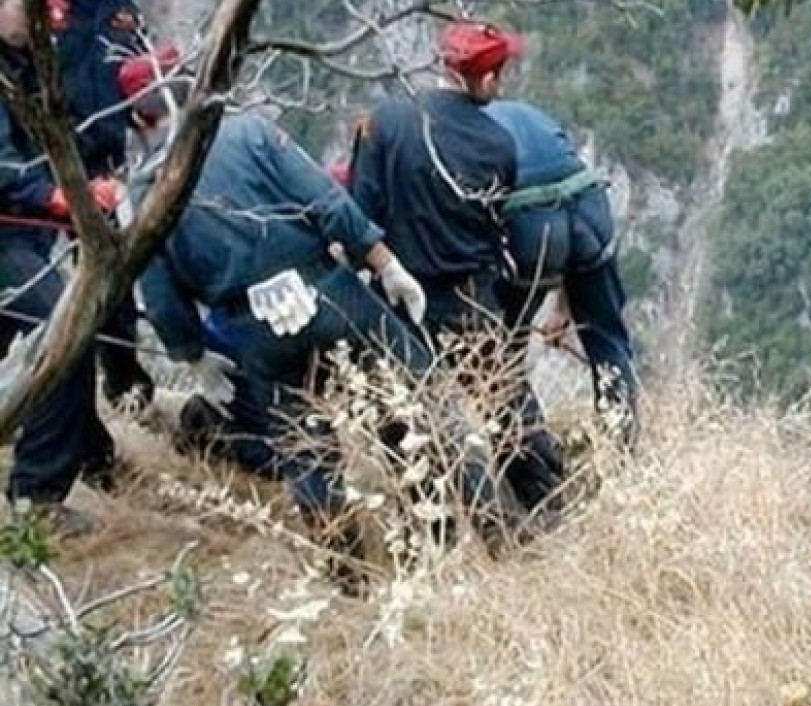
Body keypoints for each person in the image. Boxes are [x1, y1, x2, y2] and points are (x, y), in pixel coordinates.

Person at [116, 45, 507, 581]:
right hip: (327, 291)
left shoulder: (142, 192)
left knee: (309, 455)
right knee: (421, 403)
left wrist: (193, 357)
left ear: (140, 119)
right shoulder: (248, 133)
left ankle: (349, 580)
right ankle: (490, 538)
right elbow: (326, 201)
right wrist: (385, 262)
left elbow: (159, 295)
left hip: (255, 330)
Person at [349, 20, 567, 518]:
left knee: (400, 414)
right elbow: (495, 226)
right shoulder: (497, 145)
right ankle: (547, 504)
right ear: (484, 79)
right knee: (503, 402)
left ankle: (432, 520)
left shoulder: (383, 122)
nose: (503, 82)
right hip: (470, 299)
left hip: (399, 299)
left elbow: (360, 216)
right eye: (500, 72)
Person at [0, 0, 125, 537]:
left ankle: (86, 454)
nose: (40, 18)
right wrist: (57, 195)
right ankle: (37, 497)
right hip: (8, 232)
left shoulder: (25, 64)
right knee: (65, 334)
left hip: (19, 231)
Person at [483, 99, 639, 448]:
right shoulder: (532, 114)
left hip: (531, 226)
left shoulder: (469, 131)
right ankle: (623, 452)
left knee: (503, 354)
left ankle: (536, 463)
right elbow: (566, 205)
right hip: (589, 207)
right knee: (608, 342)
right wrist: (564, 309)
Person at [54, 0, 155, 411]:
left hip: (107, 166)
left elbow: (137, 73)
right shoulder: (35, 15)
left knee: (113, 282)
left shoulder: (117, 10)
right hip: (45, 159)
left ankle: (124, 384)